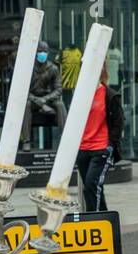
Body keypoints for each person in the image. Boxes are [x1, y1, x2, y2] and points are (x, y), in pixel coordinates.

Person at [75, 66, 124, 213]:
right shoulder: (81, 95)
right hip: (83, 149)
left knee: (91, 185)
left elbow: (118, 123)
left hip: (101, 148)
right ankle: (105, 219)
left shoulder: (109, 95)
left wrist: (110, 145)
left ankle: (93, 219)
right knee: (95, 188)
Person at [26, 41, 64, 150]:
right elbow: (22, 90)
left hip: (48, 99)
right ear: (35, 52)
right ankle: (26, 141)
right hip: (32, 100)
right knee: (26, 105)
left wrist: (45, 99)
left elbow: (58, 89)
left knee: (60, 104)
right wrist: (37, 100)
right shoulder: (28, 67)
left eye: (45, 51)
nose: (42, 53)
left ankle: (64, 138)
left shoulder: (53, 68)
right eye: (40, 51)